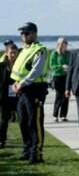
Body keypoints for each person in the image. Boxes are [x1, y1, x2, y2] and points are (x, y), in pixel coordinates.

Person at [11, 22, 50, 164]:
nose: (23, 36)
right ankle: (27, 149)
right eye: (22, 33)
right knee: (23, 122)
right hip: (23, 90)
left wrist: (21, 83)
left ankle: (37, 153)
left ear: (34, 33)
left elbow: (36, 71)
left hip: (35, 89)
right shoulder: (25, 50)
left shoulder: (40, 50)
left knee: (35, 122)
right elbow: (19, 71)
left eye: (26, 33)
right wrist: (16, 83)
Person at [0, 43, 19, 148]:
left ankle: (28, 141)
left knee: (24, 119)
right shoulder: (2, 66)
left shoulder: (20, 65)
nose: (13, 55)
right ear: (7, 53)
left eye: (15, 53)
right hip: (4, 97)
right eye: (11, 53)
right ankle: (2, 140)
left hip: (17, 96)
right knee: (4, 119)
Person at [49, 37, 70, 122]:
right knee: (59, 95)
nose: (65, 44)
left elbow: (70, 63)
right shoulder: (54, 53)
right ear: (59, 44)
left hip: (66, 76)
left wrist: (68, 67)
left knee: (66, 95)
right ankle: (55, 115)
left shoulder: (68, 53)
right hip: (57, 76)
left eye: (66, 43)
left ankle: (63, 115)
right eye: (63, 43)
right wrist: (61, 67)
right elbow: (52, 66)